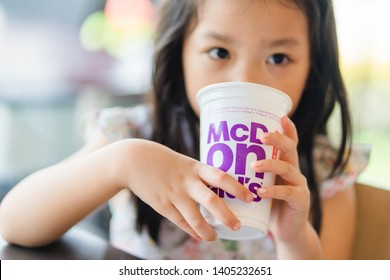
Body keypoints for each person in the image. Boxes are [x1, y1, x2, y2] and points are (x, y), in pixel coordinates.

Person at [0, 0, 367, 259]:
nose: (246, 78)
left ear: (313, 68)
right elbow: (14, 224)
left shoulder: (322, 171)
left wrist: (295, 237)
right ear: (179, 51)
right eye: (220, 52)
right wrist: (121, 162)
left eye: (278, 58)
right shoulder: (135, 135)